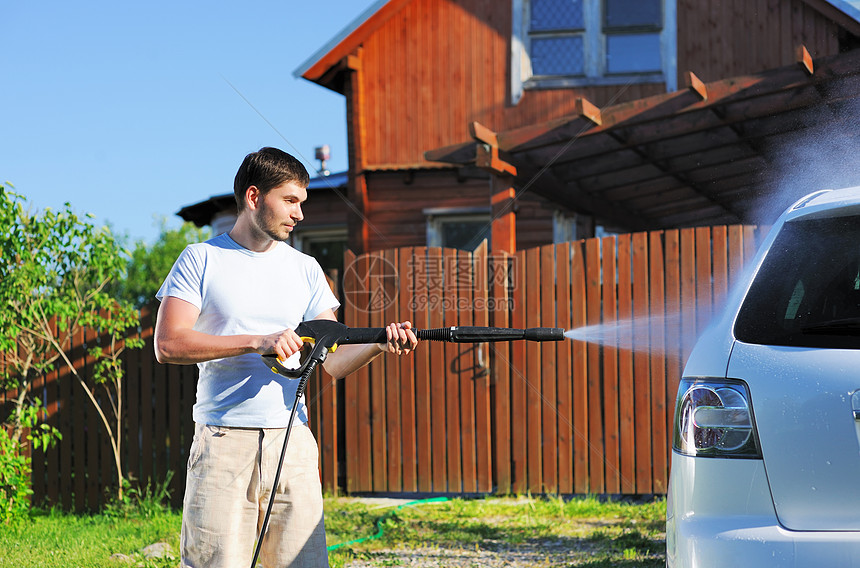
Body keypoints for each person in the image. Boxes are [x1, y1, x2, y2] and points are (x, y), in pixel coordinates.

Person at [154, 147, 418, 568]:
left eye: (302, 203)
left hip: (292, 441)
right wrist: (257, 341)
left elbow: (330, 360)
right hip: (223, 441)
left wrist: (378, 344)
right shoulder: (201, 259)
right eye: (290, 201)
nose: (299, 214)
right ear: (255, 197)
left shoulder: (306, 269)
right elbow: (169, 344)